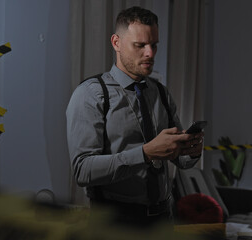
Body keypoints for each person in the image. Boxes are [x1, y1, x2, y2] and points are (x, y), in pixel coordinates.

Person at [66, 6, 204, 228]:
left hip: (163, 218)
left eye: (154, 45)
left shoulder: (161, 93)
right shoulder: (91, 94)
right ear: (116, 43)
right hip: (114, 223)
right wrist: (145, 153)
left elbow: (181, 160)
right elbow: (83, 170)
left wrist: (191, 151)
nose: (150, 53)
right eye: (140, 46)